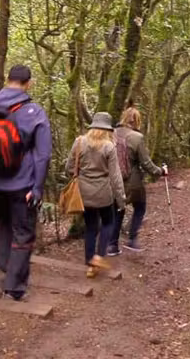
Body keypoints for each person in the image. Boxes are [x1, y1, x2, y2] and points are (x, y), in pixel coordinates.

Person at [0, 64, 52, 301]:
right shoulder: (34, 111)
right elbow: (43, 154)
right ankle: (14, 288)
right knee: (23, 232)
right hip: (22, 184)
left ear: (8, 79)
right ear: (29, 83)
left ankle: (6, 270)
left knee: (4, 224)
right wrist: (37, 188)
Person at [65, 112, 125, 278]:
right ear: (108, 129)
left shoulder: (79, 142)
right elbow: (115, 176)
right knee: (109, 222)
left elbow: (69, 168)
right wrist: (121, 199)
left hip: (84, 193)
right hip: (103, 193)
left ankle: (90, 263)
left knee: (91, 226)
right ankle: (98, 256)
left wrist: (82, 175)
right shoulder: (108, 146)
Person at [109, 106, 167, 255]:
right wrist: (160, 171)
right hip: (132, 181)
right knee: (140, 206)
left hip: (113, 180)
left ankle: (112, 246)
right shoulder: (137, 137)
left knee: (118, 209)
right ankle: (132, 239)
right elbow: (146, 163)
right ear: (137, 121)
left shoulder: (111, 134)